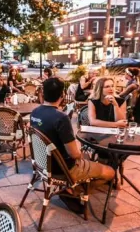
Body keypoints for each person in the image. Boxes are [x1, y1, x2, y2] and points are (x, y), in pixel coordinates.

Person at [30, 77, 115, 213]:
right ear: (62, 95)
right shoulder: (61, 118)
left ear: (42, 94)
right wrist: (80, 156)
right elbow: (74, 154)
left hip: (43, 164)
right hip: (63, 169)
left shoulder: (35, 112)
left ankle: (71, 189)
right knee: (110, 172)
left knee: (86, 156)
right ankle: (71, 191)